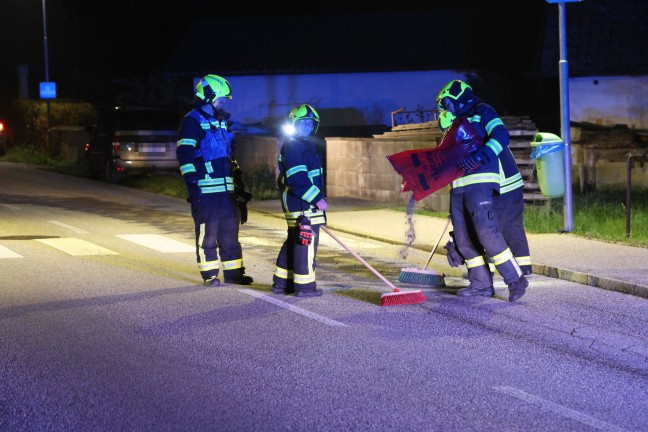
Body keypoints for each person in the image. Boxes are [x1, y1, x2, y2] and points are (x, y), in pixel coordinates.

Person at [435, 80, 528, 302]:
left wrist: (481, 156)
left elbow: (501, 136)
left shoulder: (482, 112)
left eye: (446, 104)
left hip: (481, 182)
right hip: (458, 187)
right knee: (463, 238)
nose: (444, 109)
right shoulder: (452, 127)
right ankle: (480, 284)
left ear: (457, 97)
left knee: (487, 233)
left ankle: (515, 280)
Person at [176, 74, 253, 287]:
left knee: (230, 233)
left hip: (226, 191)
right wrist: (193, 186)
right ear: (209, 96)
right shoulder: (192, 121)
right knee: (208, 234)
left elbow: (229, 156)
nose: (224, 102)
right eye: (221, 98)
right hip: (205, 190)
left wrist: (238, 184)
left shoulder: (220, 122)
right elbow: (185, 156)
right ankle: (210, 275)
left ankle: (234, 274)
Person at [271, 104, 327, 297]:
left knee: (295, 241)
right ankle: (305, 286)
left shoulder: (304, 144)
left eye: (311, 123)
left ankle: (282, 283)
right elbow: (297, 179)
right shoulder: (295, 145)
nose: (307, 126)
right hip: (302, 204)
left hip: (302, 203)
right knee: (306, 242)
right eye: (303, 122)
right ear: (294, 123)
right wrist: (317, 198)